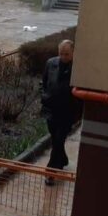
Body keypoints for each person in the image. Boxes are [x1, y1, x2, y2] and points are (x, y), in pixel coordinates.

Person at [41, 40, 81, 186]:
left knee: (58, 140)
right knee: (55, 137)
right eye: (61, 53)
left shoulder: (78, 68)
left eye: (67, 54)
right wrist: (44, 96)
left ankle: (51, 172)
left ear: (73, 53)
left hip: (68, 111)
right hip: (51, 108)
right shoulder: (51, 63)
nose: (63, 56)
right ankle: (62, 159)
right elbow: (44, 82)